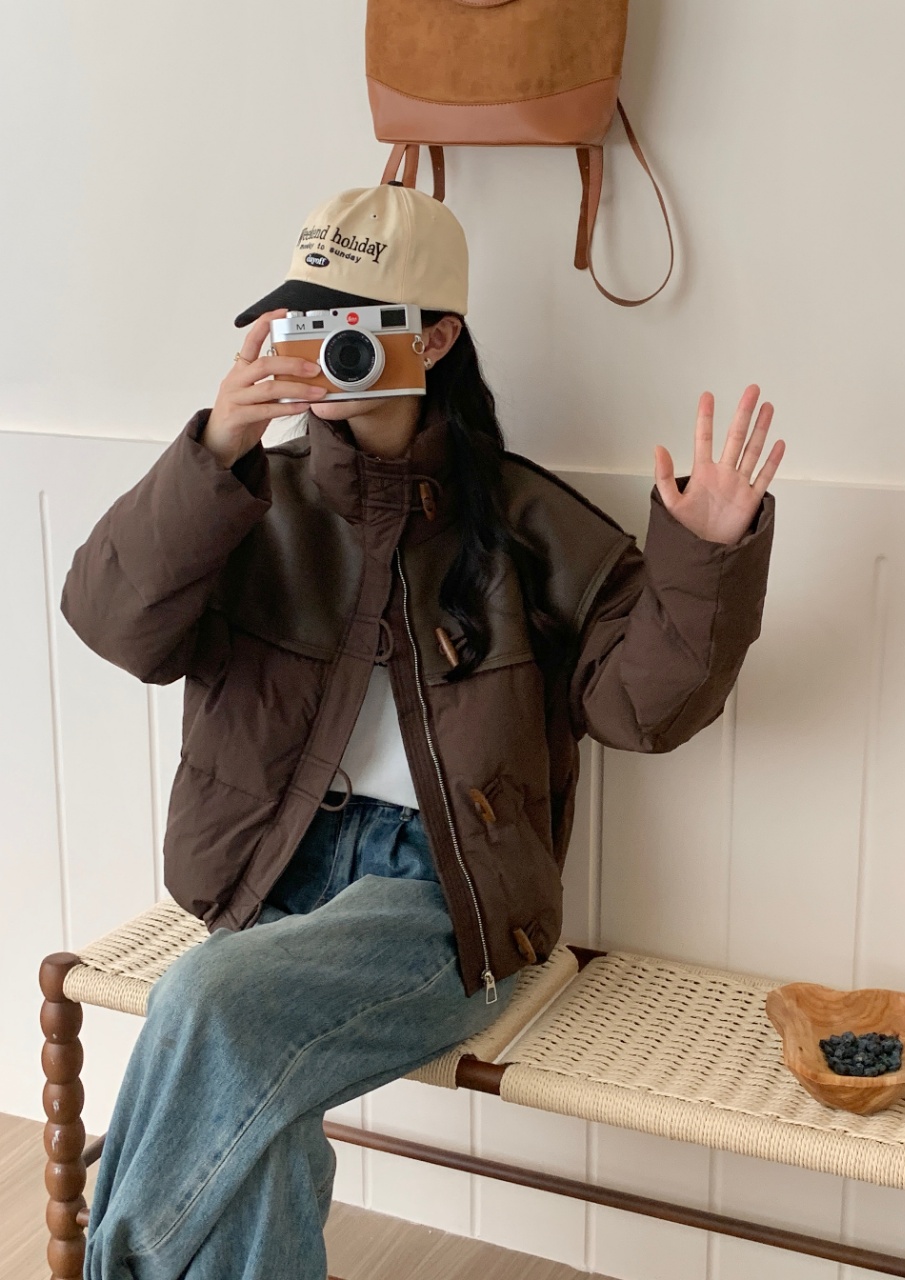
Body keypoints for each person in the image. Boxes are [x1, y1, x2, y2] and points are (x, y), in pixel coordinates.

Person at [61, 181, 783, 1280]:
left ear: (435, 338)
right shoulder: (248, 497)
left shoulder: (526, 522)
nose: (323, 349)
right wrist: (216, 445)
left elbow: (642, 709)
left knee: (204, 999)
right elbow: (115, 624)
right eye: (303, 320)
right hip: (269, 873)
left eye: (351, 324)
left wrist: (704, 560)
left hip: (446, 899)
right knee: (257, 1114)